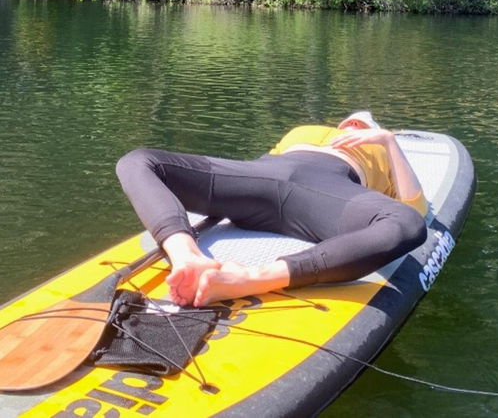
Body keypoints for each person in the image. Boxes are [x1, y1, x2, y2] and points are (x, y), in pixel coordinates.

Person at [116, 111, 427, 308]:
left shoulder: (380, 150)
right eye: (353, 120)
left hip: (327, 189)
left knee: (408, 223)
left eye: (366, 124)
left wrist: (387, 141)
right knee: (139, 161)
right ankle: (187, 256)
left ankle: (254, 279)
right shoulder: (303, 130)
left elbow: (416, 207)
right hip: (264, 175)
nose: (356, 123)